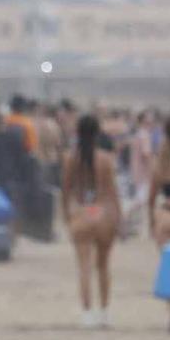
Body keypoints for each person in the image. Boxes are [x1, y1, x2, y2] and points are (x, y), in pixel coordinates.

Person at [61, 113, 122, 328]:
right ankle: (105, 311)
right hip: (102, 212)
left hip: (81, 213)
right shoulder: (105, 159)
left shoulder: (70, 158)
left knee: (84, 267)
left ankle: (87, 313)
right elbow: (112, 192)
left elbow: (66, 190)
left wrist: (65, 216)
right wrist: (118, 217)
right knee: (103, 266)